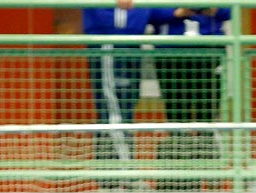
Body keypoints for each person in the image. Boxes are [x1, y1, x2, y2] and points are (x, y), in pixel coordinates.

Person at [150, 5, 231, 183]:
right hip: (171, 52)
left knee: (208, 114)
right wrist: (175, 12)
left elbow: (231, 9)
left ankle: (211, 175)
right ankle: (181, 176)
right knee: (178, 115)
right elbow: (148, 12)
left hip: (209, 50)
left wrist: (214, 9)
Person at [84, 0, 161, 175]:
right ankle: (120, 174)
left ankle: (123, 173)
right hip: (109, 45)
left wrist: (185, 11)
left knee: (126, 110)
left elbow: (156, 12)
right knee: (112, 112)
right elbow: (114, 21)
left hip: (132, 47)